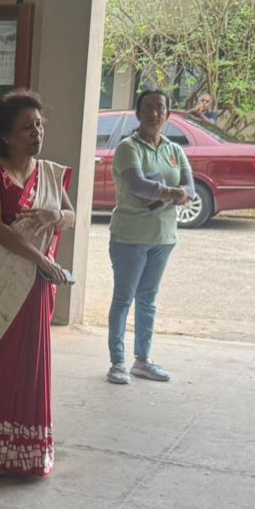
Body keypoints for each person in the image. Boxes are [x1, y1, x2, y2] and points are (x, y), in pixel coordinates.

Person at [0, 90, 75, 478]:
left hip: (36, 284)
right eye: (27, 127)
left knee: (31, 364)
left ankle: (28, 454)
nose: (36, 133)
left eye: (39, 125)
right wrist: (40, 259)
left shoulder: (48, 173)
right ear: (5, 135)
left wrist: (52, 216)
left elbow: (71, 215)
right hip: (3, 279)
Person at [107, 88, 191, 385]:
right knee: (123, 299)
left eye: (160, 108)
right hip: (130, 237)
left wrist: (169, 193)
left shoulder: (174, 150)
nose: (154, 113)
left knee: (148, 300)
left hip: (163, 237)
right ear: (137, 113)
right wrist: (172, 193)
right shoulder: (128, 148)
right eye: (148, 108)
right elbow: (137, 186)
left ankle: (142, 361)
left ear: (168, 113)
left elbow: (191, 188)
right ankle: (117, 362)